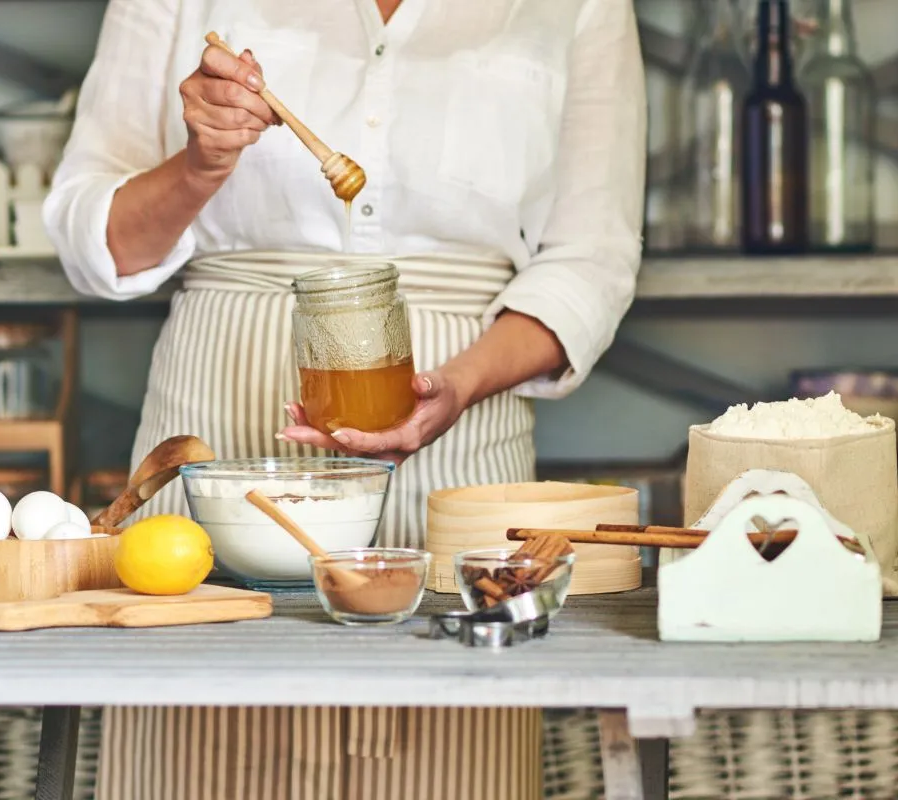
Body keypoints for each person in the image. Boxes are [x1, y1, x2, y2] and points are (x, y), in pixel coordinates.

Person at [45, 0, 646, 796]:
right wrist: (200, 167)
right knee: (198, 746)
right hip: (216, 427)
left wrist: (457, 384)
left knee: (446, 751)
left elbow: (592, 258)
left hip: (460, 445)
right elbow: (95, 242)